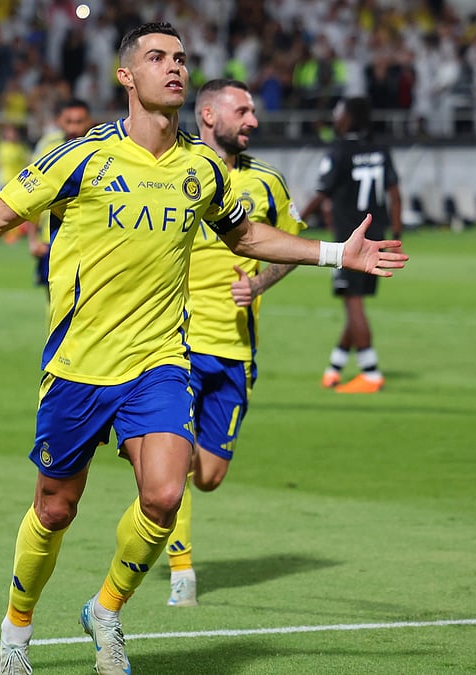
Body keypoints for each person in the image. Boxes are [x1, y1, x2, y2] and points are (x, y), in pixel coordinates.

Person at [0, 23, 407, 675]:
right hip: (77, 366)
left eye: (179, 58)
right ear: (127, 76)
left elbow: (246, 236)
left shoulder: (200, 168)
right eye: (156, 57)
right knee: (55, 507)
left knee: (166, 495)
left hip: (158, 364)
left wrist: (333, 252)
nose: (172, 67)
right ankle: (16, 629)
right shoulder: (81, 158)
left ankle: (106, 609)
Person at [165, 79, 308, 608]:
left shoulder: (267, 183)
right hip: (174, 343)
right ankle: (182, 571)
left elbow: (292, 248)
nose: (252, 120)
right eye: (241, 110)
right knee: (173, 459)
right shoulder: (172, 171)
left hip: (236, 348)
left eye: (253, 111)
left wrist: (258, 284)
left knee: (210, 476)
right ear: (207, 114)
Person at [302, 97, 404, 394]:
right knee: (354, 301)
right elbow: (395, 194)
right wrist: (396, 234)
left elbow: (321, 194)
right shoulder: (380, 149)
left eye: (338, 111)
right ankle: (334, 368)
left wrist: (295, 222)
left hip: (349, 240)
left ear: (349, 117)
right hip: (378, 235)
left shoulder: (339, 151)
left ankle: (370, 373)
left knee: (353, 302)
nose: (335, 117)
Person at [24, 98, 94, 297]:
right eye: (68, 121)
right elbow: (33, 196)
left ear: (89, 121)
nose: (73, 127)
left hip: (90, 240)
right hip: (51, 239)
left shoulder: (102, 146)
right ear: (59, 121)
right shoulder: (48, 147)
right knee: (53, 300)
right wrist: (32, 238)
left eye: (79, 121)